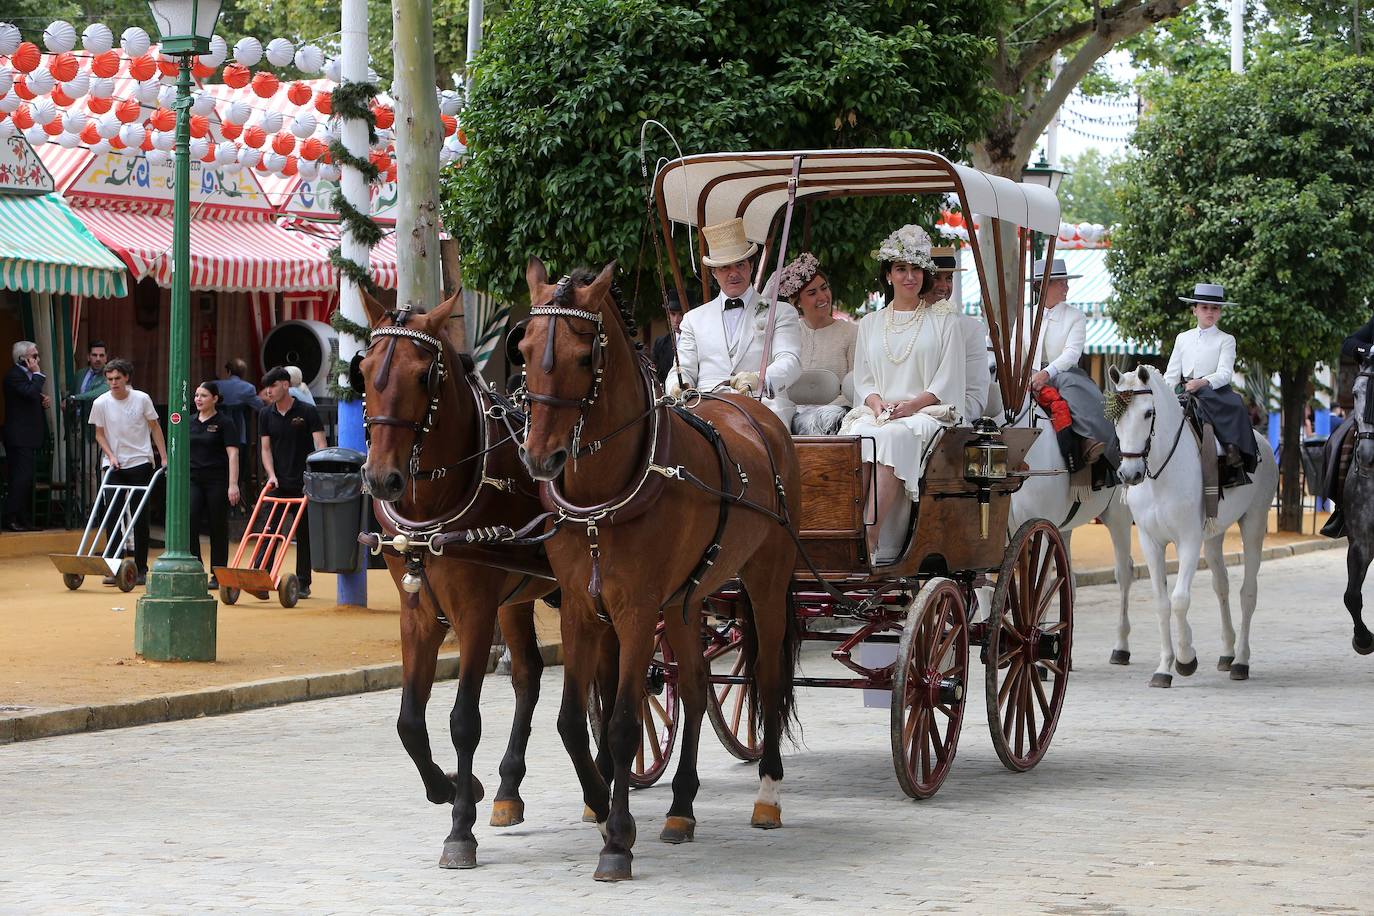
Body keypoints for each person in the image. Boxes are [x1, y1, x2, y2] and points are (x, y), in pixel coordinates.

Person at [841, 224, 965, 560]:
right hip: (878, 413)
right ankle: (846, 530)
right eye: (901, 269)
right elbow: (864, 380)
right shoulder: (869, 324)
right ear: (888, 275)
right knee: (856, 435)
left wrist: (911, 406)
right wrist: (877, 402)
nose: (909, 277)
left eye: (915, 269)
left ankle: (871, 536)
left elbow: (948, 380)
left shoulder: (945, 320)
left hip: (927, 415)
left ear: (923, 274)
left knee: (893, 437)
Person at [667, 217, 803, 426]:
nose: (733, 274)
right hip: (705, 409)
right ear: (714, 273)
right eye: (724, 268)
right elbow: (682, 368)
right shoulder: (693, 319)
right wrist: (678, 385)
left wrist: (760, 380)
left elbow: (790, 361)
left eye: (740, 265)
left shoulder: (780, 312)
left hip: (763, 406)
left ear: (751, 265)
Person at [1022, 258, 1117, 471]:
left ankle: (1089, 441)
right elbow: (1014, 352)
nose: (1067, 286)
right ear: (1041, 285)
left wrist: (1046, 373)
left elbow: (1072, 354)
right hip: (1029, 377)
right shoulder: (1026, 316)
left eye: (1066, 281)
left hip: (1064, 373)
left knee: (1079, 395)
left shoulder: (1075, 316)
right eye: (1060, 282)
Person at [1164, 283, 1257, 477]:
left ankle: (1231, 451)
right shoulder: (1182, 338)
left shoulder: (1226, 339)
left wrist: (1202, 382)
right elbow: (1172, 373)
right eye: (1204, 307)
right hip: (1184, 388)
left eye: (1214, 308)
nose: (1210, 312)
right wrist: (1165, 393)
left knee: (1236, 405)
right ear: (1194, 310)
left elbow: (1225, 373)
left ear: (1220, 312)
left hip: (1213, 390)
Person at [88, 358, 167, 584]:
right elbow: (99, 434)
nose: (113, 383)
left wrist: (163, 457)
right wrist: (110, 455)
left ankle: (141, 567)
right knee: (112, 513)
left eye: (117, 379)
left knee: (139, 516)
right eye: (110, 379)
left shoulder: (141, 399)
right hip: (114, 463)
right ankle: (113, 565)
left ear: (126, 378)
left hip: (140, 461)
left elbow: (154, 427)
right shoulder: (101, 403)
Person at [259, 366, 326, 598]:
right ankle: (261, 577)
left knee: (304, 534)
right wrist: (271, 475)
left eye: (273, 385)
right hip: (278, 483)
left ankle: (303, 582)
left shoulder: (307, 411)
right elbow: (265, 449)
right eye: (267, 386)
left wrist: (315, 476)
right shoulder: (266, 414)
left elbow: (320, 445)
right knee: (269, 530)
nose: (268, 391)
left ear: (286, 385)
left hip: (304, 482)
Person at [775, 252, 856, 435]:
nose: (822, 296)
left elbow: (854, 387)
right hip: (790, 413)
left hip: (835, 418)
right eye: (812, 293)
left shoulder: (850, 332)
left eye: (824, 288)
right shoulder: (788, 332)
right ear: (797, 302)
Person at [926, 246, 989, 422]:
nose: (944, 286)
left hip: (949, 424)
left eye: (949, 278)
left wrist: (941, 419)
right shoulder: (902, 323)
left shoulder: (970, 328)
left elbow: (975, 397)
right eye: (936, 277)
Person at [189, 381, 241, 588]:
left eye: (203, 395)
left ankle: (218, 573)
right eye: (196, 395)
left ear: (215, 399)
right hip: (193, 478)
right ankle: (195, 567)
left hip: (217, 479)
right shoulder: (190, 421)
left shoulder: (225, 422)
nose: (198, 399)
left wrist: (233, 484)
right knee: (190, 520)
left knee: (217, 525)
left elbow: (233, 453)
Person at [3, 341, 51, 531]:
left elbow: (29, 398)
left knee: (26, 478)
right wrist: (38, 374)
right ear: (24, 359)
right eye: (34, 356)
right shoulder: (14, 376)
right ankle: (10, 517)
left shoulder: (26, 377)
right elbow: (29, 392)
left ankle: (23, 518)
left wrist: (41, 401)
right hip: (18, 437)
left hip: (28, 437)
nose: (37, 359)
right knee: (20, 478)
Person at [218, 358, 263, 448]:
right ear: (243, 373)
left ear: (229, 371)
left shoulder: (215, 385)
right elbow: (261, 406)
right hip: (238, 432)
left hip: (216, 430)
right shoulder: (248, 388)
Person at [651, 289, 684, 384]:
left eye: (681, 314)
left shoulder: (701, 341)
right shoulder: (661, 344)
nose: (676, 320)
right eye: (672, 314)